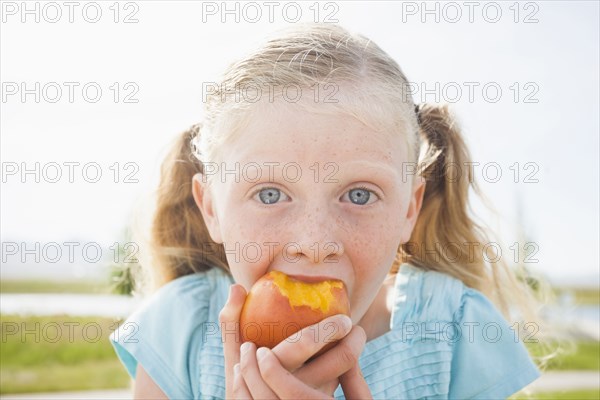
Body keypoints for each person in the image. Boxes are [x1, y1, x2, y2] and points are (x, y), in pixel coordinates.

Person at [110, 23, 544, 399]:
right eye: (269, 194)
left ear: (409, 210)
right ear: (212, 209)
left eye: (358, 195)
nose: (315, 244)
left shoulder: (456, 332)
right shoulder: (175, 332)